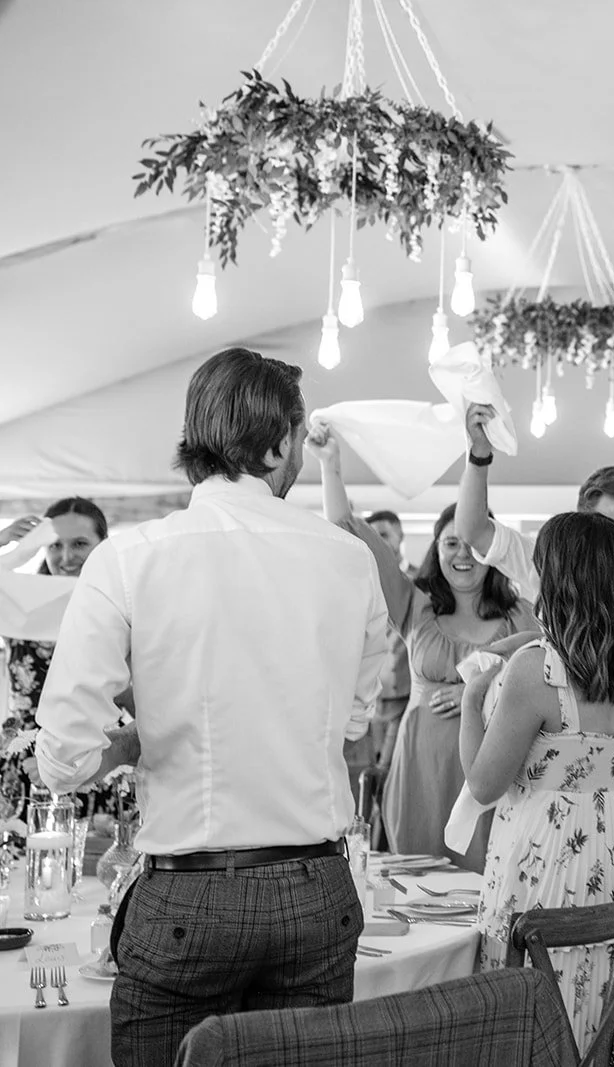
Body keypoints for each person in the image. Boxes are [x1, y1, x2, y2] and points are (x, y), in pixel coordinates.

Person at [35, 348, 389, 1066]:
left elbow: (61, 760)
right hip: (314, 890)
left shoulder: (130, 558)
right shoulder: (349, 559)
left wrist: (132, 743)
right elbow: (355, 721)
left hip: (190, 899)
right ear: (282, 441)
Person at [453, 404, 614, 863]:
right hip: (609, 837)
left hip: (577, 829)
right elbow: (473, 531)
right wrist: (478, 457)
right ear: (588, 527)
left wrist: (474, 693)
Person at [463, 511, 614, 1051]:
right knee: (600, 1005)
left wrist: (471, 699)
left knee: (531, 1018)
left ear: (557, 578)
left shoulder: (536, 670)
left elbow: (483, 785)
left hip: (544, 867)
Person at [306, 424, 534, 871]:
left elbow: (542, 679)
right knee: (417, 883)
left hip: (489, 771)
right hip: (419, 768)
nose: (462, 553)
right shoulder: (415, 605)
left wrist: (481, 693)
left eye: (471, 543)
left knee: (483, 885)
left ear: (491, 553)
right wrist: (330, 465)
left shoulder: (519, 615)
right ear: (437, 548)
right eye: (451, 543)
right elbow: (350, 533)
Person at [2, 499, 119, 811]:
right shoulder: (21, 600)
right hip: (24, 767)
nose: (66, 557)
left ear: (103, 545)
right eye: (54, 545)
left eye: (80, 543)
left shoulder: (121, 604)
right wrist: (9, 546)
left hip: (97, 764)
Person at [364, 509, 415, 775]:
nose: (379, 543)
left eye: (384, 535)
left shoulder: (423, 582)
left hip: (408, 697)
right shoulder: (362, 582)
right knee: (371, 775)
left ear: (400, 536)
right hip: (372, 698)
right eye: (373, 536)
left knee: (394, 772)